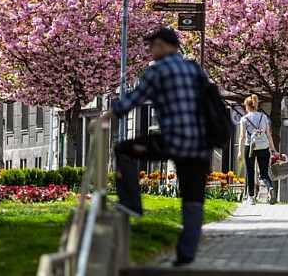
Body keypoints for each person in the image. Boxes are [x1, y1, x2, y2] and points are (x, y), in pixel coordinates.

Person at [89, 27, 211, 267]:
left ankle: (132, 202)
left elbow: (132, 101)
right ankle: (185, 256)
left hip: (172, 141)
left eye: (152, 46)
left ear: (163, 45)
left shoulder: (158, 71)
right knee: (193, 199)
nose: (149, 51)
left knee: (123, 149)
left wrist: (103, 119)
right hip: (200, 145)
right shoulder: (195, 70)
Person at [237, 94, 278, 205]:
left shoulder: (244, 119)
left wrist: (240, 151)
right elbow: (268, 135)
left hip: (250, 147)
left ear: (247, 106)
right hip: (263, 147)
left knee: (250, 172)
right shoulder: (263, 117)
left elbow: (242, 136)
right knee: (264, 173)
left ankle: (251, 198)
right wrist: (273, 150)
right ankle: (269, 188)